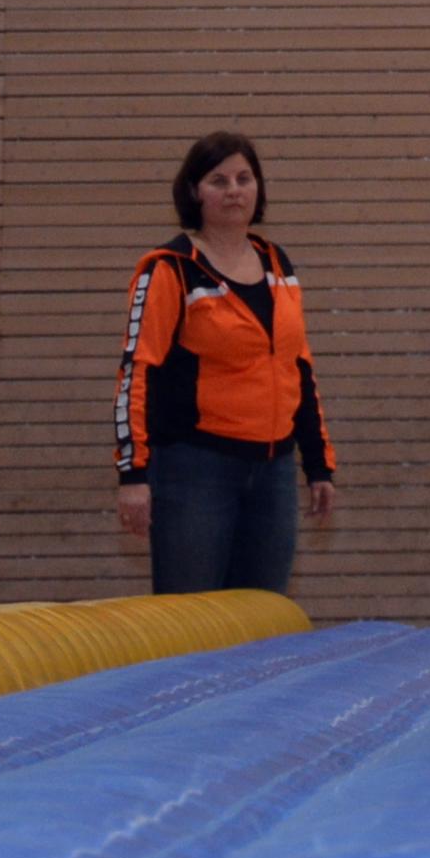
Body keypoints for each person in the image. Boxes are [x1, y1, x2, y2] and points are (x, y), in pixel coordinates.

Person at [118, 132, 336, 596]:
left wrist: (318, 464)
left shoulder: (277, 263)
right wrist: (133, 474)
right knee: (189, 618)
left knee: (264, 618)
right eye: (219, 181)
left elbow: (298, 366)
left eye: (243, 179)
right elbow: (137, 373)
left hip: (274, 471)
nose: (234, 190)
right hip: (195, 470)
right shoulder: (169, 268)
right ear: (194, 191)